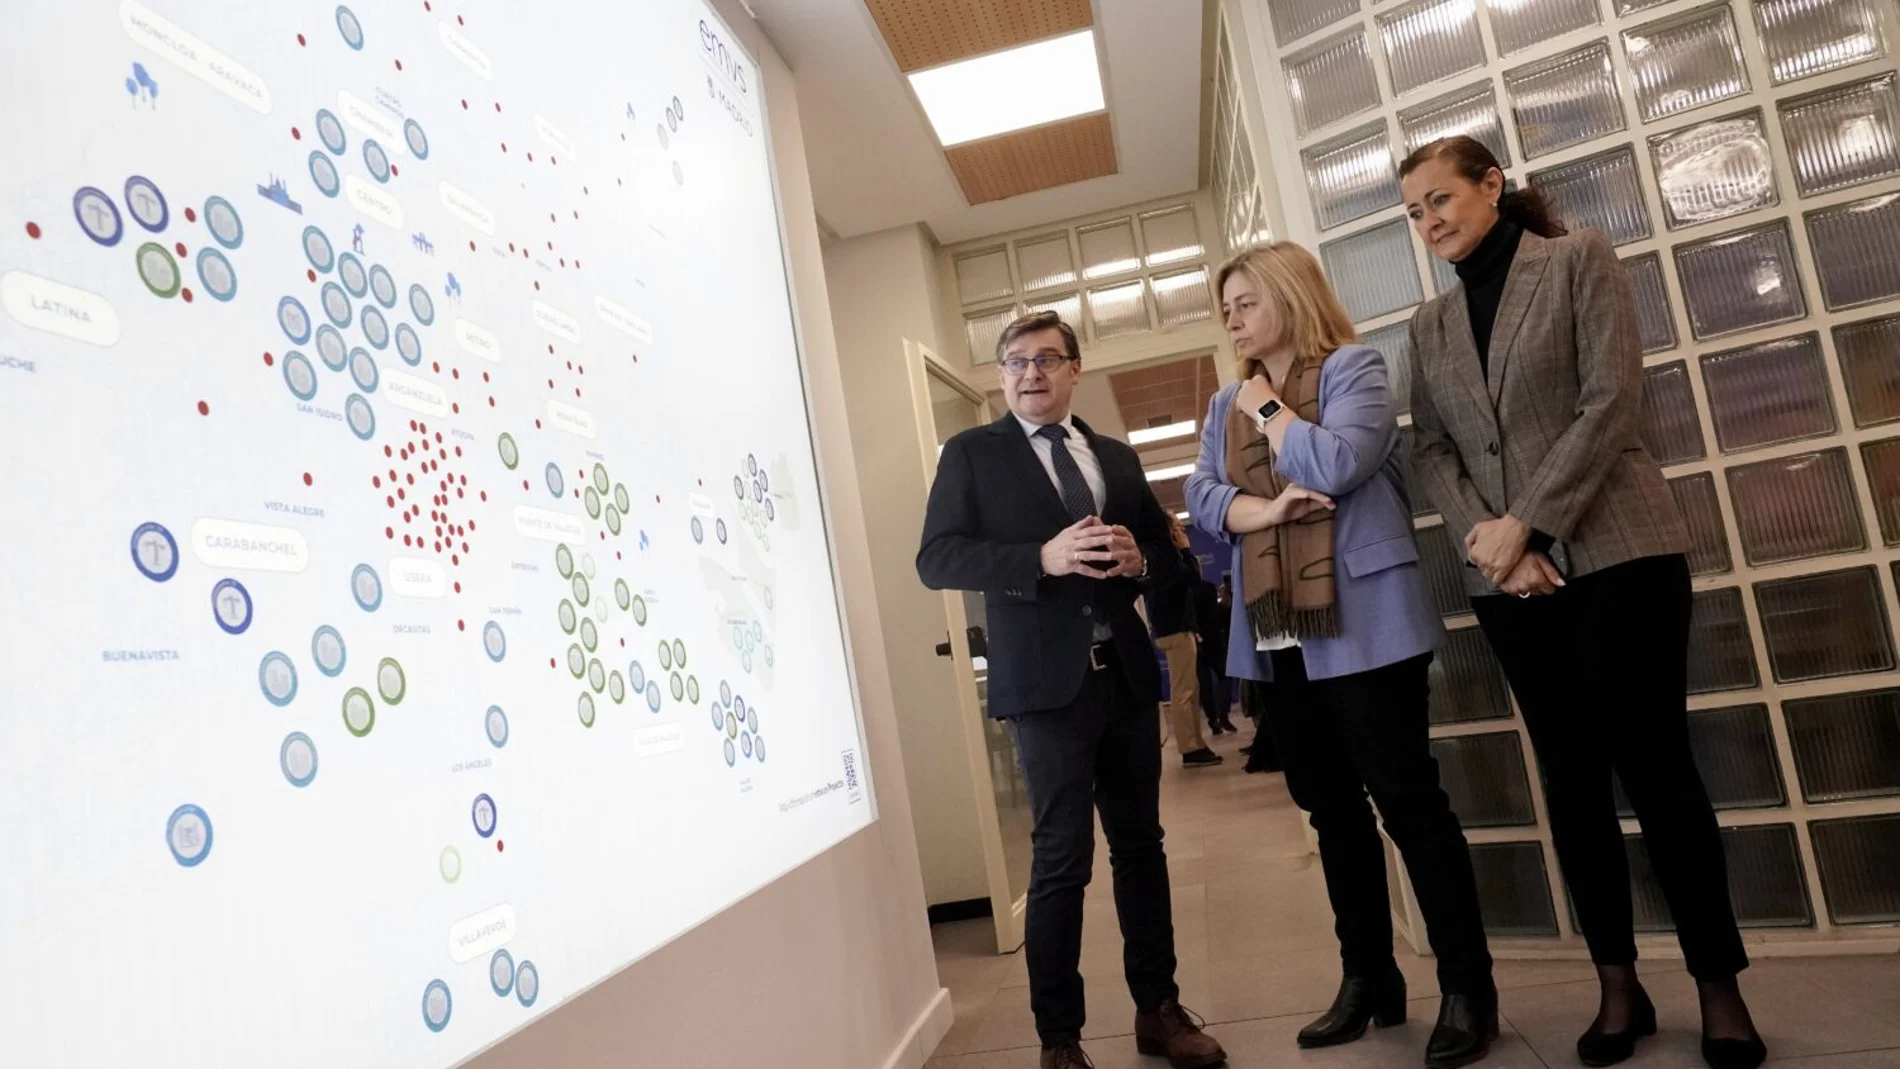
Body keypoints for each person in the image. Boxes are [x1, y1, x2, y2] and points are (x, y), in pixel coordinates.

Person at [1400, 136, 1765, 1069]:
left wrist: (1527, 522)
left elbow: (1609, 401)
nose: (1429, 221)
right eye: (1414, 210)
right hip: (1510, 581)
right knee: (1569, 781)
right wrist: (1493, 540)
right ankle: (1617, 985)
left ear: (1492, 187)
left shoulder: (1576, 258)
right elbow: (1434, 449)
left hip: (1617, 554)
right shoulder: (1427, 325)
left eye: (1441, 199)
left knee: (1657, 771)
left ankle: (1718, 986)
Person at [1185, 243, 1496, 1069]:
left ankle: (1469, 985)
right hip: (1280, 630)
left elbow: (1338, 461)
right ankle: (1369, 979)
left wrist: (1268, 413)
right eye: (1228, 308)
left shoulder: (1353, 369)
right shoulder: (1227, 400)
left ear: (1290, 295)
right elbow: (1202, 500)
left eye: (1246, 301)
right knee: (1330, 813)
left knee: (1408, 803)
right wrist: (1270, 507)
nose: (1235, 318)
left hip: (1367, 628)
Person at [917, 311, 1225, 1069]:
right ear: (1002, 375)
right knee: (1061, 858)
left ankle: (1159, 1009)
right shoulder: (971, 455)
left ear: (1075, 369)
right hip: (1043, 688)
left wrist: (1137, 560)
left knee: (1141, 846)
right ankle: (1060, 1039)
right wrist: (1041, 558)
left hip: (1122, 676)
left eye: (1047, 359)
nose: (1030, 373)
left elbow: (1162, 544)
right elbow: (938, 557)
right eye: (1015, 361)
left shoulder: (1114, 458)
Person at [1150, 514, 1222, 766]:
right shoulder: (1168, 555)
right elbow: (1193, 578)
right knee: (1184, 691)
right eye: (1179, 528)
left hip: (1177, 627)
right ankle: (1190, 747)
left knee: (1189, 688)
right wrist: (1186, 550)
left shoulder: (1161, 555)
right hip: (1175, 629)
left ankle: (1195, 742)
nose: (1183, 532)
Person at [1192, 569, 1236, 734]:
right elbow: (1214, 615)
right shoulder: (1208, 587)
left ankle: (1213, 721)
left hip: (1195, 642)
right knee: (1224, 677)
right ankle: (1222, 715)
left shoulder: (1184, 591)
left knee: (1205, 684)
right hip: (1214, 641)